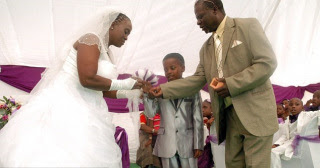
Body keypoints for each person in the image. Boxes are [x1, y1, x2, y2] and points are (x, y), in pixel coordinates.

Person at [0, 8, 143, 167]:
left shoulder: (108, 54)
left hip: (91, 108)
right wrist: (127, 83)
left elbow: (103, 90)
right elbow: (86, 79)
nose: (126, 37)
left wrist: (132, 93)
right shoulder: (90, 39)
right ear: (112, 25)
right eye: (126, 31)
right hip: (67, 104)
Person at [149, 0, 278, 167]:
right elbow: (196, 80)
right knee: (233, 164)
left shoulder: (247, 26)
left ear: (215, 9)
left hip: (255, 113)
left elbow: (266, 63)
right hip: (228, 117)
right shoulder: (206, 49)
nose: (198, 22)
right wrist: (163, 89)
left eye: (201, 17)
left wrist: (230, 84)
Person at [143, 53, 204, 168]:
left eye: (172, 68)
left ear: (183, 68)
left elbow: (198, 118)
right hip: (167, 142)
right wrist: (148, 97)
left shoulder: (192, 89)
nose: (169, 72)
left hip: (188, 143)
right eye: (166, 70)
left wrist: (198, 144)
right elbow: (151, 113)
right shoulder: (160, 90)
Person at [271, 98, 304, 168]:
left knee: (273, 153)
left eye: (297, 104)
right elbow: (285, 135)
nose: (293, 106)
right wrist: (276, 144)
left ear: (302, 107)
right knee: (272, 151)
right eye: (291, 105)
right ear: (288, 107)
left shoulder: (307, 115)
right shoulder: (288, 119)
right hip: (288, 142)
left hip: (298, 142)